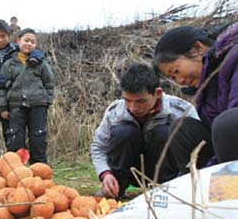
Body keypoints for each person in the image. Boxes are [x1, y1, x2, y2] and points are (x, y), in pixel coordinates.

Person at [91, 64, 198, 198]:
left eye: (141, 101)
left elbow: (196, 151)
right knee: (124, 131)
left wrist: (184, 181)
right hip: (129, 170)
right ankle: (116, 188)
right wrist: (106, 174)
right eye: (127, 100)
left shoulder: (182, 110)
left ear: (157, 93)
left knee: (164, 132)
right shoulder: (115, 112)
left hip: (167, 172)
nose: (133, 107)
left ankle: (164, 191)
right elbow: (98, 147)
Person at [153, 22, 238, 173]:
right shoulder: (205, 87)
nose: (179, 81)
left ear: (198, 49)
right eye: (173, 77)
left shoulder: (234, 58)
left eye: (176, 71)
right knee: (182, 129)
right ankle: (195, 189)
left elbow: (232, 127)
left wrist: (212, 170)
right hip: (229, 155)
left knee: (227, 123)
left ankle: (227, 187)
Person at [0, 28, 54, 163]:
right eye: (26, 40)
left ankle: (40, 174)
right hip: (15, 107)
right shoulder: (9, 64)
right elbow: (1, 87)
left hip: (38, 105)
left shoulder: (41, 63)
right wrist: (2, 107)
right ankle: (16, 174)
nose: (29, 44)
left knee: (38, 139)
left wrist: (47, 101)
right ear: (18, 41)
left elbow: (49, 82)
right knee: (15, 139)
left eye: (33, 42)